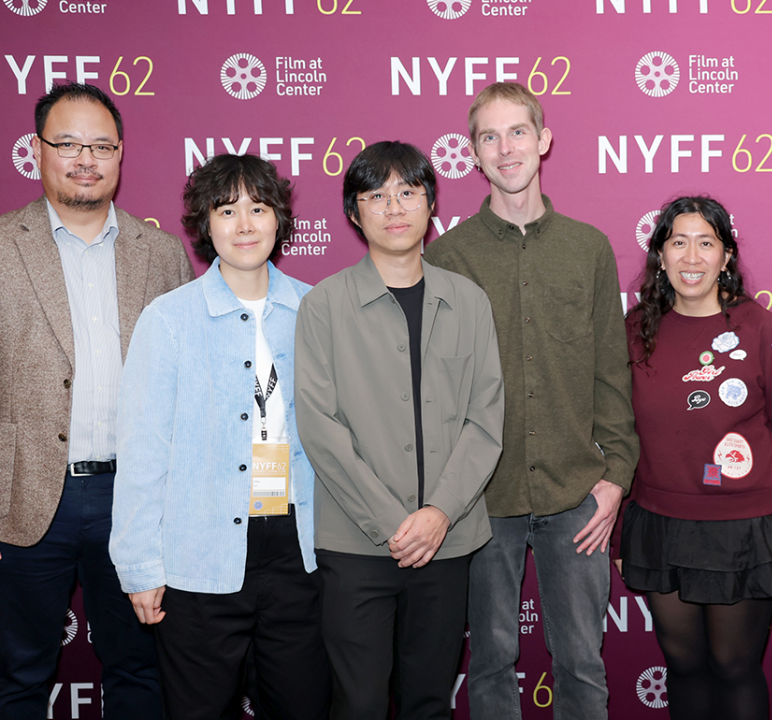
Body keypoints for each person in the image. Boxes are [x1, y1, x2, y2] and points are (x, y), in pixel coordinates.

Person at [424, 81, 639, 720]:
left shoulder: (588, 247)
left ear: (543, 140)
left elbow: (611, 372)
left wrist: (616, 478)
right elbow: (435, 388)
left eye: (517, 132)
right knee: (490, 662)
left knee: (581, 663)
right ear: (473, 153)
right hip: (481, 499)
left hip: (577, 494)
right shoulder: (447, 255)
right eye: (489, 137)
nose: (506, 149)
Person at [109, 153, 329, 720]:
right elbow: (143, 452)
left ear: (279, 218)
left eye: (258, 208)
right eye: (227, 211)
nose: (245, 224)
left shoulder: (316, 309)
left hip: (298, 550)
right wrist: (140, 567)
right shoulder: (168, 319)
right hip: (199, 553)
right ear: (205, 224)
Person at [0, 82, 194, 719]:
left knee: (141, 671)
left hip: (134, 501)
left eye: (102, 146)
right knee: (17, 676)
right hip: (24, 500)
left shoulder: (161, 255)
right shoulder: (3, 246)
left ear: (120, 154)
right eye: (69, 144)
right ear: (36, 150)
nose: (86, 159)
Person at [294, 140, 503, 720]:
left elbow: (485, 419)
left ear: (431, 205)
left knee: (429, 701)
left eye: (408, 193)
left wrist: (439, 513)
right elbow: (320, 426)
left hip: (447, 541)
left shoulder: (468, 301)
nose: (394, 208)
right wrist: (393, 522)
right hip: (357, 545)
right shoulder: (324, 305)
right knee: (359, 703)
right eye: (376, 196)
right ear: (353, 212)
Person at [619, 196, 772, 720]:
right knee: (683, 666)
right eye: (678, 242)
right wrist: (620, 529)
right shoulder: (634, 331)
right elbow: (616, 436)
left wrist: (769, 507)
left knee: (734, 667)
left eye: (706, 243)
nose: (692, 257)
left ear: (726, 255)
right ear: (660, 255)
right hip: (659, 525)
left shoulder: (761, 329)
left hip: (742, 530)